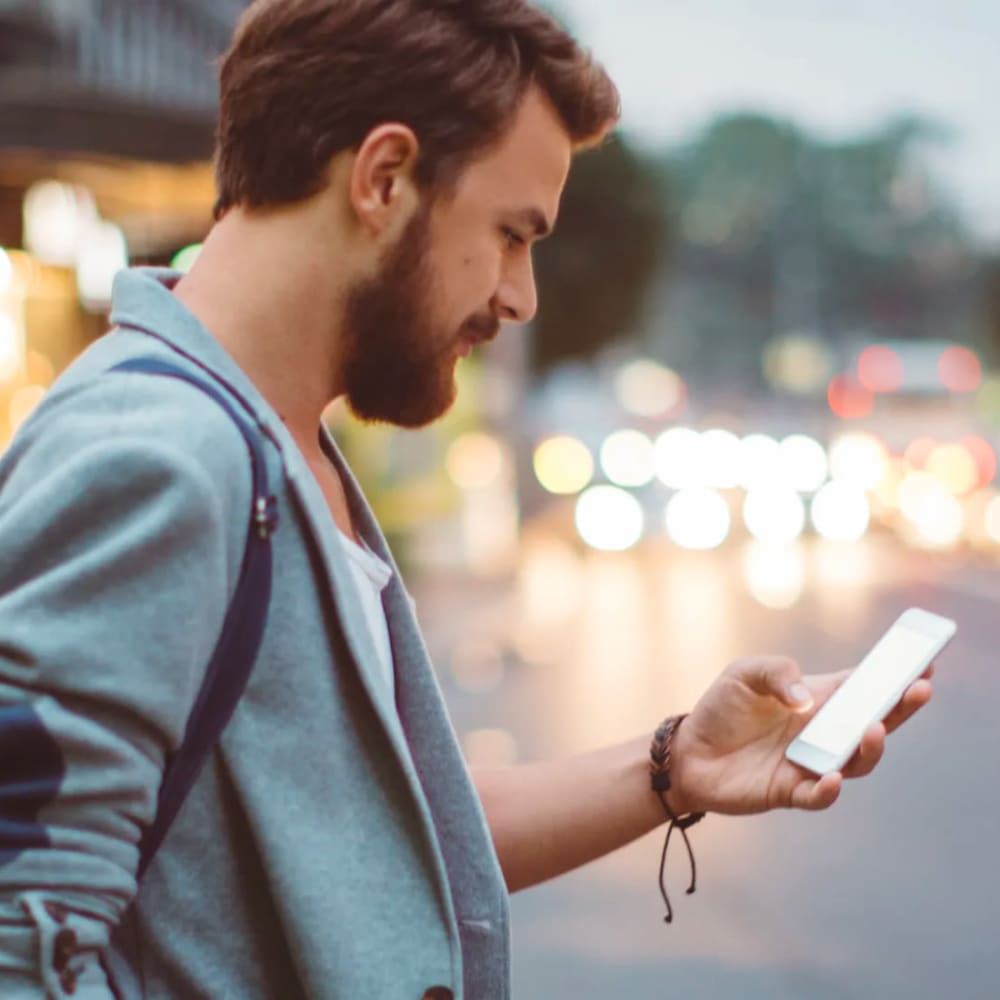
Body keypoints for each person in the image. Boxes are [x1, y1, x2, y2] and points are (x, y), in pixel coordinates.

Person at [0, 1, 933, 997]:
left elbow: (365, 846)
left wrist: (671, 765)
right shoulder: (159, 454)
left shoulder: (270, 445)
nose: (522, 295)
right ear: (384, 177)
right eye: (510, 234)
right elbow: (20, 940)